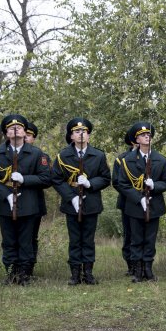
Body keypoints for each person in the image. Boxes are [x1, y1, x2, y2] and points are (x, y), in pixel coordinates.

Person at [51, 118, 111, 285]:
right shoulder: (63, 155)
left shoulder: (98, 155)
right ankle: (75, 273)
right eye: (77, 132)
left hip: (91, 202)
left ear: (89, 136)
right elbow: (56, 179)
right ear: (71, 136)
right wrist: (71, 198)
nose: (81, 134)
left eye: (84, 131)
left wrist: (91, 183)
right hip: (71, 204)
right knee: (75, 239)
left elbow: (106, 178)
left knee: (88, 239)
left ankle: (88, 273)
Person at [115, 122, 166, 282]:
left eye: (149, 134)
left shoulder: (160, 159)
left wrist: (155, 185)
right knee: (136, 238)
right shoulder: (128, 160)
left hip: (154, 205)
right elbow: (123, 184)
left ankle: (148, 268)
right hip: (134, 206)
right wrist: (139, 198)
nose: (147, 136)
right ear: (136, 139)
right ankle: (138, 270)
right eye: (142, 135)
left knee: (150, 238)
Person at [0, 114, 51, 285]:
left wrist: (24, 179)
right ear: (6, 133)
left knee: (26, 241)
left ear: (24, 132)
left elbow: (45, 179)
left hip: (28, 204)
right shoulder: (0, 152)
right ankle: (11, 273)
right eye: (11, 128)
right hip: (5, 205)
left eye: (19, 128)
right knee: (8, 241)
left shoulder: (36, 154)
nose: (15, 130)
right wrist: (6, 194)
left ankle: (24, 274)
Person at [24, 121, 52, 277]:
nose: (25, 138)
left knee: (31, 237)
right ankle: (14, 269)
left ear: (33, 138)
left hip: (34, 203)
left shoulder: (40, 156)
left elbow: (46, 180)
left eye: (29, 135)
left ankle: (29, 269)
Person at [113, 130, 138, 276]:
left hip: (147, 201)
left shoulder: (152, 157)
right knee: (129, 234)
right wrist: (133, 194)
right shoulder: (121, 159)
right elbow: (117, 182)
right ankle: (131, 265)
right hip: (127, 201)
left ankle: (142, 263)